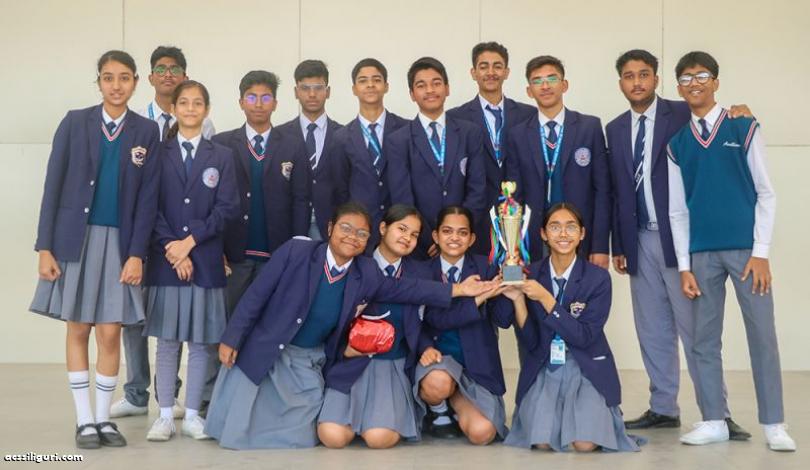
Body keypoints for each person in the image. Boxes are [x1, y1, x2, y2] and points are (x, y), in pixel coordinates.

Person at [204, 202, 494, 449]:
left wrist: (459, 290)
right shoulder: (297, 251)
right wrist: (232, 337)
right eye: (346, 228)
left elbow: (406, 289)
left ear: (368, 238)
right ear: (330, 228)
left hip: (311, 358)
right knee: (243, 425)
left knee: (305, 436)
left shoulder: (365, 272)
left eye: (361, 234)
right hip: (272, 347)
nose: (353, 237)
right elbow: (256, 295)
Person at [606, 49, 750, 438]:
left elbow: (716, 123)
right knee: (652, 330)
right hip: (638, 241)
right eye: (629, 76)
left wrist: (739, 113)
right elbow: (617, 191)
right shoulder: (615, 128)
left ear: (656, 80)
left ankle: (718, 413)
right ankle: (663, 407)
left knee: (696, 330)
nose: (637, 82)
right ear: (620, 83)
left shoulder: (682, 112)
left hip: (681, 240)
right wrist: (620, 243)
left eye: (644, 74)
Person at [30, 50, 160, 448]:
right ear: (99, 82)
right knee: (78, 327)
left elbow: (148, 199)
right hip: (76, 240)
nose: (116, 85)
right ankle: (84, 420)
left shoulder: (146, 131)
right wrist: (45, 246)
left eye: (124, 78)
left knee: (109, 331)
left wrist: (137, 253)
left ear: (135, 82)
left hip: (120, 245)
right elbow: (52, 186)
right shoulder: (75, 122)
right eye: (108, 77)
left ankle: (104, 419)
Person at [667, 51, 795, 451]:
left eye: (702, 76)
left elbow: (766, 192)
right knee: (703, 341)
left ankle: (774, 423)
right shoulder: (677, 144)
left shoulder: (743, 126)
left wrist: (761, 252)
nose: (694, 83)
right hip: (702, 255)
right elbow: (677, 211)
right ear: (679, 89)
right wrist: (684, 266)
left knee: (762, 336)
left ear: (716, 82)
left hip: (746, 254)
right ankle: (713, 420)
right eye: (686, 79)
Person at [114, 45, 217, 419]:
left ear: (186, 76)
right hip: (141, 232)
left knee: (173, 323)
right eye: (161, 68)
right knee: (134, 315)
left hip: (184, 240)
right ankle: (137, 392)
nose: (168, 74)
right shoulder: (137, 123)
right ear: (150, 77)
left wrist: (184, 244)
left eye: (175, 68)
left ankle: (169, 399)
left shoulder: (203, 126)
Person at [498, 203, 643, 452]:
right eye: (555, 227)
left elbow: (584, 337)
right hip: (546, 365)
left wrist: (546, 299)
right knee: (542, 443)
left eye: (571, 227)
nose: (563, 234)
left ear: (582, 234)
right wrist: (518, 300)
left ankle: (599, 411)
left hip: (585, 365)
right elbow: (530, 342)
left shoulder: (598, 278)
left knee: (585, 444)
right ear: (543, 234)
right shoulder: (530, 273)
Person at [142, 80, 239, 442]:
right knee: (167, 341)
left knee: (200, 343)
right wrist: (173, 246)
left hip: (206, 261)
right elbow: (149, 206)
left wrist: (189, 243)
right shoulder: (159, 152)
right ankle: (165, 415)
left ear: (207, 109)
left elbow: (228, 207)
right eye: (183, 103)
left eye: (198, 103)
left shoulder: (222, 155)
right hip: (166, 261)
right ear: (174, 108)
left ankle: (194, 415)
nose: (190, 109)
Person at [318, 205, 437, 449]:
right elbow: (329, 318)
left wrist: (426, 346)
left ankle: (382, 419)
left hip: (391, 365)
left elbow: (425, 321)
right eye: (401, 229)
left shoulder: (421, 272)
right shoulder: (354, 263)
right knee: (332, 436)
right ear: (383, 228)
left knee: (378, 439)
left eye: (414, 234)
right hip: (352, 362)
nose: (407, 237)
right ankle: (359, 418)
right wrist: (343, 348)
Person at [415, 206, 510, 444]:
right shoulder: (422, 271)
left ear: (472, 239)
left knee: (482, 433)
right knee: (437, 383)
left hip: (477, 365)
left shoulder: (487, 267)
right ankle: (438, 409)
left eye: (462, 232)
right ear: (436, 236)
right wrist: (478, 298)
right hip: (439, 362)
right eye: (447, 231)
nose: (455, 238)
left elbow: (504, 320)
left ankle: (454, 401)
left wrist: (512, 284)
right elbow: (432, 320)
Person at [506, 55, 610, 267]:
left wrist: (600, 246)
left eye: (552, 79)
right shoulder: (518, 134)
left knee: (579, 288)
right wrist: (514, 249)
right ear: (529, 91)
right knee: (536, 287)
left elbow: (602, 191)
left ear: (564, 85)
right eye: (537, 81)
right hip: (535, 237)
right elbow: (514, 196)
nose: (545, 86)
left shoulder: (589, 127)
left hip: (579, 235)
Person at [387, 57, 486, 259]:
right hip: (422, 247)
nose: (430, 90)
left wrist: (458, 235)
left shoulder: (470, 133)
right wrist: (432, 238)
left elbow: (477, 189)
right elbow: (402, 198)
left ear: (447, 89)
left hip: (465, 245)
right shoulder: (398, 140)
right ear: (412, 94)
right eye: (421, 85)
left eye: (436, 83)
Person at [447, 41, 535, 254]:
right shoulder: (455, 118)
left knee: (515, 272)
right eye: (483, 66)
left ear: (506, 72)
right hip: (475, 218)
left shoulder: (528, 115)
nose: (490, 72)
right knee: (479, 273)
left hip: (519, 218)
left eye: (497, 66)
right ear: (473, 73)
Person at [330, 58, 409, 252]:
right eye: (363, 80)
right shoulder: (341, 138)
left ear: (386, 86)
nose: (370, 85)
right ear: (354, 89)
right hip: (360, 232)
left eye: (376, 79)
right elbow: (341, 189)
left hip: (399, 228)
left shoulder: (406, 129)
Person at [276, 59, 343, 241]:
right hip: (289, 225)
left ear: (328, 91)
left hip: (331, 226)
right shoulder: (279, 136)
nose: (312, 94)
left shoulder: (344, 135)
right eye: (305, 88)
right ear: (296, 92)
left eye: (318, 88)